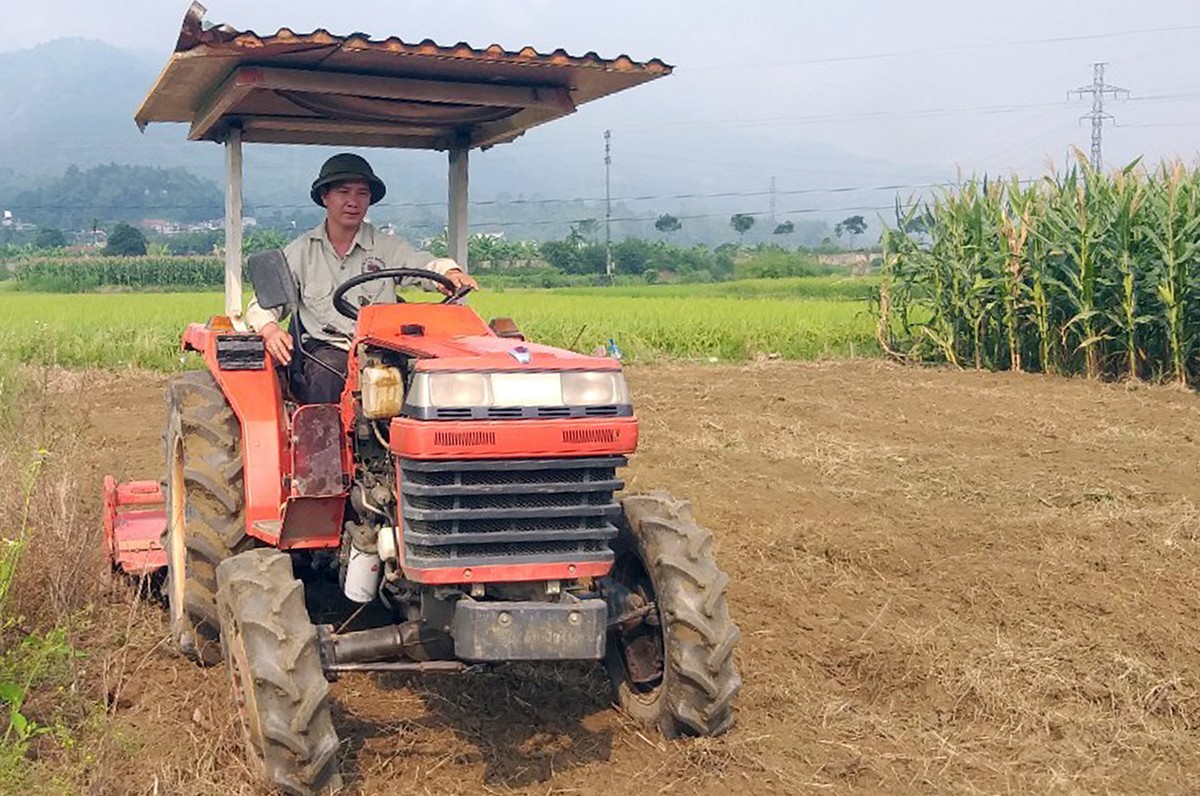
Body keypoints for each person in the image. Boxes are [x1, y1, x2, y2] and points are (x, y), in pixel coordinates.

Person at [245, 153, 478, 403]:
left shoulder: (387, 247)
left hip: (385, 347)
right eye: (343, 192)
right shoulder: (301, 252)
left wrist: (448, 273)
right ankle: (327, 429)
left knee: (433, 376)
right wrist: (270, 330)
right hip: (328, 349)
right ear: (325, 196)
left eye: (362, 193)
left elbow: (421, 263)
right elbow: (264, 303)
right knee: (328, 374)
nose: (353, 202)